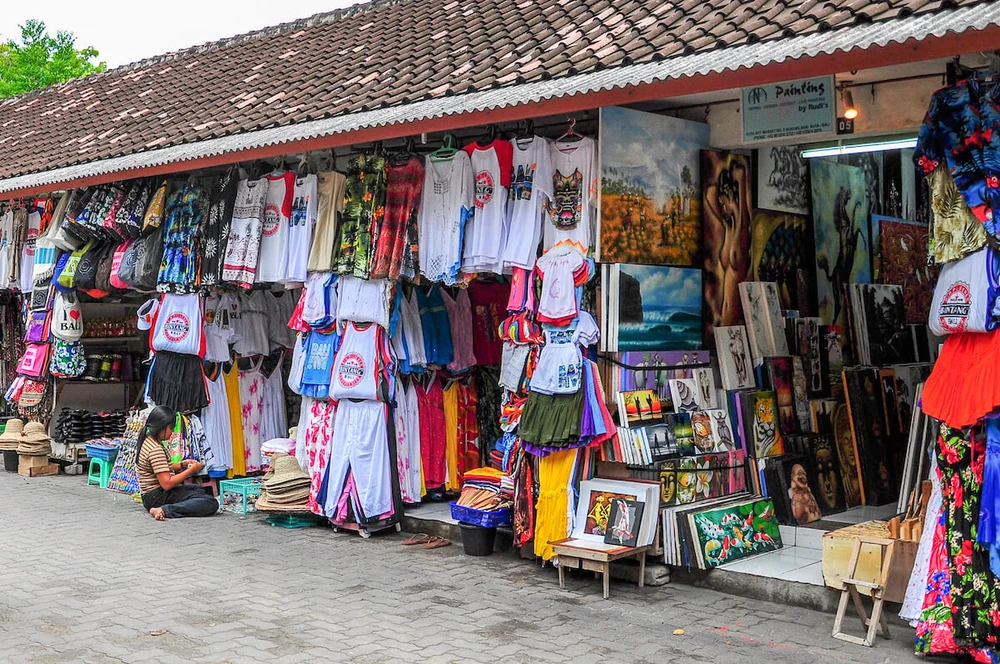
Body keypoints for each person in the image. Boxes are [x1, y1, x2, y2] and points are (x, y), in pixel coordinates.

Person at [136, 405, 218, 521]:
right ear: (162, 427)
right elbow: (167, 483)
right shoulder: (155, 449)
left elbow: (161, 468)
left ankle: (164, 508)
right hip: (157, 496)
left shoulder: (149, 440)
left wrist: (182, 465)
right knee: (211, 502)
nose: (173, 432)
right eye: (171, 428)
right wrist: (191, 470)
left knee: (198, 490)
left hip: (153, 495)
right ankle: (164, 510)